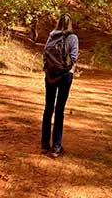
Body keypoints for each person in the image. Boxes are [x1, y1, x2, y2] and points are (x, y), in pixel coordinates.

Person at [41, 13, 78, 158]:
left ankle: (44, 145)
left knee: (48, 108)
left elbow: (45, 53)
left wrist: (49, 68)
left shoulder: (52, 35)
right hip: (65, 76)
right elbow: (73, 57)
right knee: (59, 110)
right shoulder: (72, 38)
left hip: (50, 76)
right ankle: (56, 147)